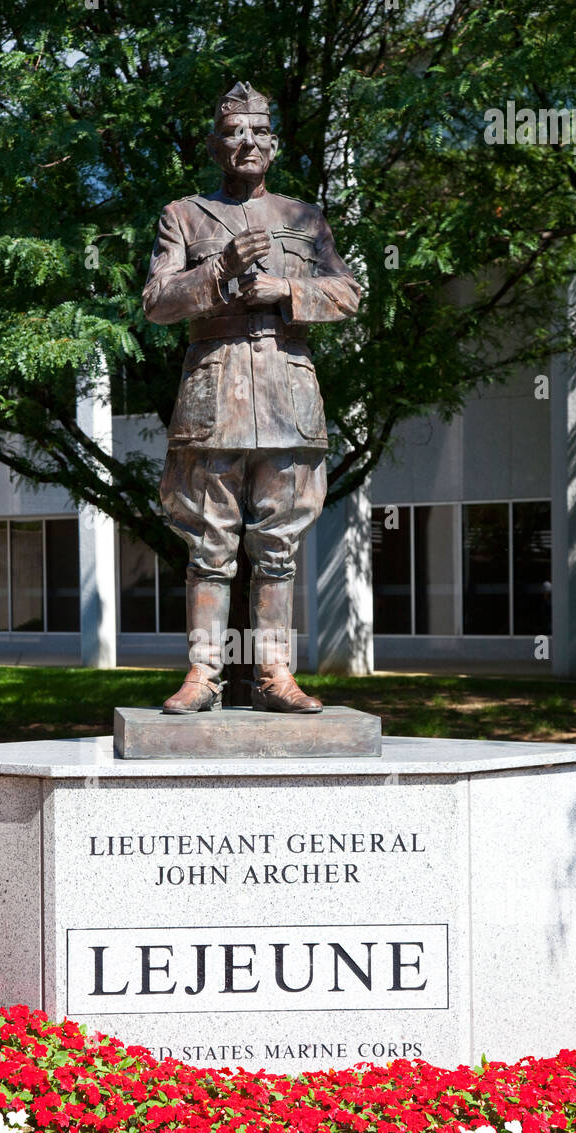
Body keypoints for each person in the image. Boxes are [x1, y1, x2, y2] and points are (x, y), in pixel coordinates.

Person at [143, 80, 361, 713]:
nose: (247, 143)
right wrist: (220, 268)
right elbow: (157, 302)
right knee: (210, 543)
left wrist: (286, 293)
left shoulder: (304, 218)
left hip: (288, 395)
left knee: (278, 544)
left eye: (259, 133)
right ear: (216, 146)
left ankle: (274, 674)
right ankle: (202, 675)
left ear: (274, 144)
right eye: (234, 133)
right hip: (216, 396)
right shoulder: (184, 215)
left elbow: (347, 293)